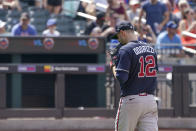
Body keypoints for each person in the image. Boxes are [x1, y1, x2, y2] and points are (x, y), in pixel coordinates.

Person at [110, 21, 158, 131]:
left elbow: (121, 78)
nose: (118, 39)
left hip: (131, 100)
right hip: (150, 101)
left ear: (122, 33)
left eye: (118, 36)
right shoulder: (151, 49)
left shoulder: (125, 49)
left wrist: (113, 65)